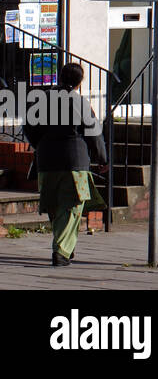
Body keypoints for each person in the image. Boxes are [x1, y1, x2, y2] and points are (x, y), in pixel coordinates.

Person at [23, 63, 107, 266]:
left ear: (60, 78)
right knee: (72, 208)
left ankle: (66, 247)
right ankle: (61, 251)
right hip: (74, 163)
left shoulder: (42, 101)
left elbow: (29, 128)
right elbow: (94, 133)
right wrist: (102, 159)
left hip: (46, 162)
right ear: (80, 82)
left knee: (54, 205)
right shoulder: (80, 102)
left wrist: (41, 146)